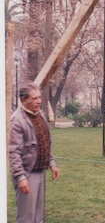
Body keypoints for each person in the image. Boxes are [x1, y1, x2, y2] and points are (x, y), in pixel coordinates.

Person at [9, 82, 59, 223]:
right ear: (24, 100)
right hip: (27, 173)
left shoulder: (40, 115)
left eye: (39, 97)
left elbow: (44, 141)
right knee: (27, 217)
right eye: (35, 98)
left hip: (40, 171)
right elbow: (14, 153)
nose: (38, 101)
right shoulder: (17, 121)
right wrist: (20, 177)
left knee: (38, 216)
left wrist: (51, 163)